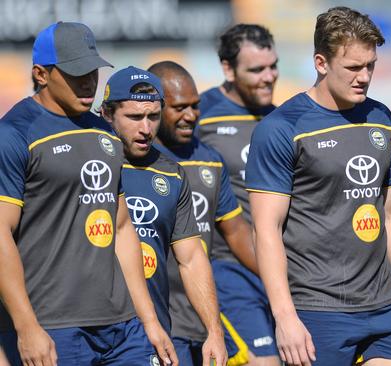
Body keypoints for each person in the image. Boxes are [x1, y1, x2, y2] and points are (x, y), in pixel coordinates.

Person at [246, 7, 391, 366]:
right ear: (321, 63)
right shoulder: (282, 128)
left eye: (371, 66)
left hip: (387, 307)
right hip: (317, 310)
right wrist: (284, 317)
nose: (364, 77)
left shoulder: (381, 118)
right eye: (353, 67)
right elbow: (266, 229)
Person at [0, 22, 176, 366]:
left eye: (92, 71)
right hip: (52, 326)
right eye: (75, 72)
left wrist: (150, 321)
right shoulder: (14, 134)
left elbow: (123, 228)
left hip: (122, 328)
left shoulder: (105, 134)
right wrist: (27, 327)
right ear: (41, 74)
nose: (88, 82)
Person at [100, 66, 229, 366]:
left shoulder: (171, 174)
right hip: (84, 328)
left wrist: (214, 331)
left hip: (148, 333)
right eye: (134, 118)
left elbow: (192, 258)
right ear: (107, 114)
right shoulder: (85, 165)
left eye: (153, 116)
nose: (146, 128)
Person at [148, 61, 258, 366]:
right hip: (158, 318)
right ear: (155, 106)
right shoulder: (137, 162)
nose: (191, 116)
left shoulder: (209, 160)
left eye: (196, 106)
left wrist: (283, 282)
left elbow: (236, 232)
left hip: (202, 313)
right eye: (180, 107)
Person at [197, 23, 280, 365]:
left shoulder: (282, 120)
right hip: (230, 272)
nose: (268, 77)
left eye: (273, 66)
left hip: (282, 270)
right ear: (228, 69)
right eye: (256, 69)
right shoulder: (197, 117)